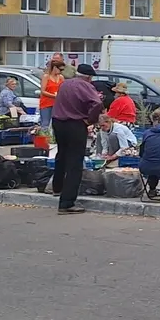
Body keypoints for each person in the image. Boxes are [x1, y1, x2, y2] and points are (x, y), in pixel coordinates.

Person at [52, 64, 103, 214]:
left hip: (58, 122)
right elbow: (97, 103)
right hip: (75, 124)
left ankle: (57, 187)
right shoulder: (85, 86)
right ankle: (67, 203)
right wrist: (90, 120)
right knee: (75, 162)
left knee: (61, 155)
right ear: (88, 77)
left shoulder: (65, 84)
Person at [39, 57, 65, 130]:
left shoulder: (61, 77)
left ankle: (54, 139)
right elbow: (43, 91)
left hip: (57, 104)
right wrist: (54, 96)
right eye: (60, 69)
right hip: (46, 103)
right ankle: (44, 139)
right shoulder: (46, 77)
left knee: (56, 123)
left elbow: (63, 89)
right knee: (45, 123)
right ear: (54, 68)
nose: (61, 71)